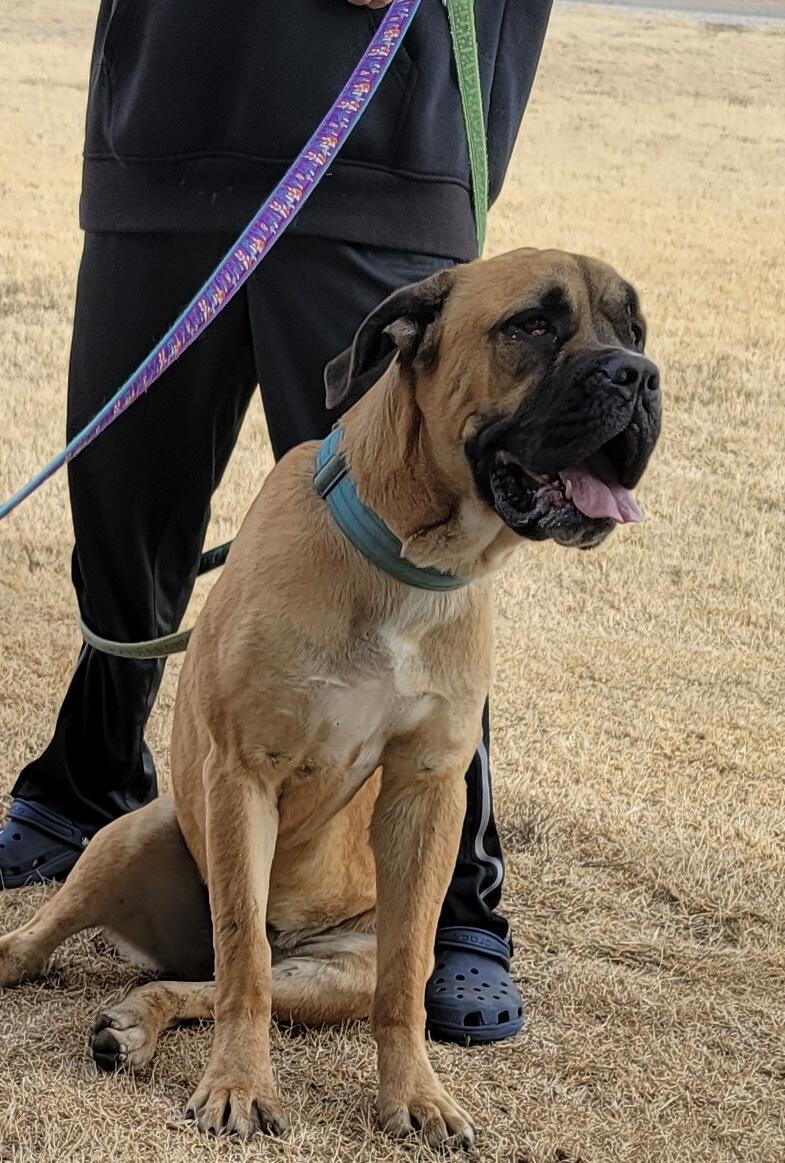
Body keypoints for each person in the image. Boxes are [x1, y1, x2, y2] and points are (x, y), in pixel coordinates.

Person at [0, 0, 553, 1045]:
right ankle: (90, 776)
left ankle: (459, 903)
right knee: (123, 512)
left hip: (391, 128)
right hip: (167, 119)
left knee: (416, 547)